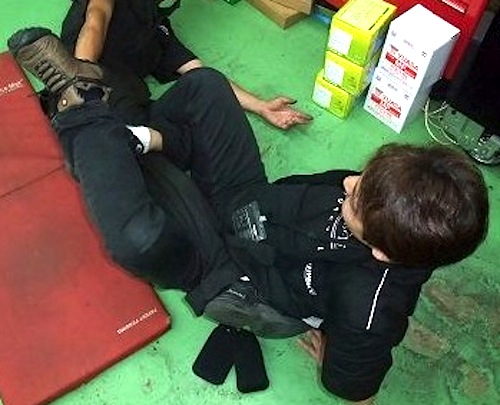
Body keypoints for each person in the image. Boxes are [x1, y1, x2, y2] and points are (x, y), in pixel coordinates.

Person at [8, 28, 489, 405]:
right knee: (206, 86)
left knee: (141, 237)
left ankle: (79, 110)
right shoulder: (383, 192)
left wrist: (339, 366)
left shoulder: (371, 308)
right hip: (250, 202)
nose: (347, 184)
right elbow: (323, 188)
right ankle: (131, 141)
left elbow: (355, 388)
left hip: (235, 275)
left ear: (380, 251)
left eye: (355, 201)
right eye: (361, 178)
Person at [59, 0, 313, 129]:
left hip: (126, 100)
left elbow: (200, 72)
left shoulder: (158, 29)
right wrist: (82, 80)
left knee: (171, 132)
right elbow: (96, 20)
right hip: (86, 81)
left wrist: (261, 106)